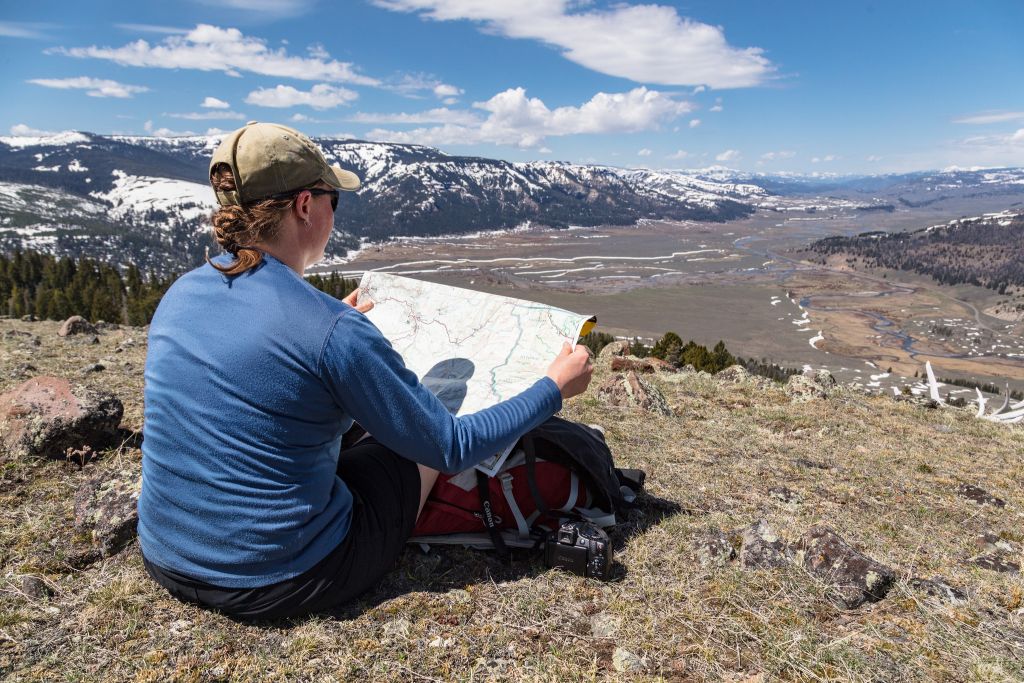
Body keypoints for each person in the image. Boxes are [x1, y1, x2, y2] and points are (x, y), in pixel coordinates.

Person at [137, 121, 594, 621]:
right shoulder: (328, 330)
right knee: (408, 448)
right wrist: (554, 388)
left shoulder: (181, 293)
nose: (334, 212)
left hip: (166, 554)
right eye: (335, 199)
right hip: (278, 578)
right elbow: (449, 446)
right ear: (305, 205)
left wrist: (332, 327)